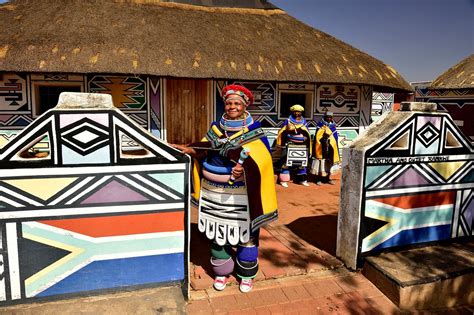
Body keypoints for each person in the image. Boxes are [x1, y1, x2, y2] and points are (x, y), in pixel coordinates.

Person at [171, 84, 278, 293]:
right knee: (216, 233)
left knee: (247, 235)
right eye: (229, 103)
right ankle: (221, 272)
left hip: (242, 195)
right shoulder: (216, 128)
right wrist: (190, 149)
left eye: (237, 103)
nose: (232, 106)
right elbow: (203, 148)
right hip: (214, 192)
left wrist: (245, 168)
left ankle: (246, 276)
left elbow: (263, 160)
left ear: (245, 105)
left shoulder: (255, 131)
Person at [275, 104, 312, 187]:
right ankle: (283, 180)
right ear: (292, 112)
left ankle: (302, 180)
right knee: (286, 162)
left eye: (298, 112)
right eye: (295, 112)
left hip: (301, 144)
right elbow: (282, 131)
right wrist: (288, 130)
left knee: (302, 162)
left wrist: (306, 136)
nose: (297, 114)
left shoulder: (304, 121)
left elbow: (307, 131)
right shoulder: (288, 121)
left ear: (301, 113)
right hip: (290, 143)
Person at [310, 111, 340, 184]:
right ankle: (318, 179)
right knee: (320, 162)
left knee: (329, 162)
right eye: (327, 117)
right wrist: (324, 137)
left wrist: (332, 142)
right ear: (324, 117)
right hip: (321, 147)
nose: (329, 118)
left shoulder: (333, 125)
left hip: (330, 147)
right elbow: (318, 135)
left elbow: (335, 136)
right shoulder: (320, 124)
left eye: (330, 117)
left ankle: (328, 178)